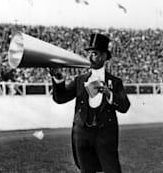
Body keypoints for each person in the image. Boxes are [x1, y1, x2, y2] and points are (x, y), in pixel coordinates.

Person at [50, 33, 131, 173]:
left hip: (105, 135)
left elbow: (124, 106)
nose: (90, 57)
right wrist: (58, 79)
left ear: (104, 57)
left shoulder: (115, 82)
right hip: (82, 135)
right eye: (90, 54)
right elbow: (60, 98)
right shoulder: (80, 80)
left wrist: (108, 94)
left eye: (95, 53)